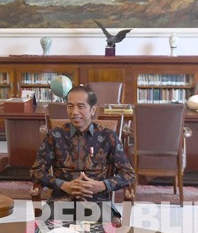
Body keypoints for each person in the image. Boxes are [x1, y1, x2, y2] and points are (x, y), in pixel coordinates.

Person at [31, 84, 135, 222]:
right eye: (70, 106)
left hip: (98, 202)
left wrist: (102, 185)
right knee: (46, 231)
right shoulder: (55, 135)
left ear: (93, 110)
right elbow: (36, 171)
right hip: (61, 200)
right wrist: (63, 185)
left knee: (110, 231)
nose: (74, 112)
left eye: (80, 106)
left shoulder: (107, 136)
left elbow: (128, 174)